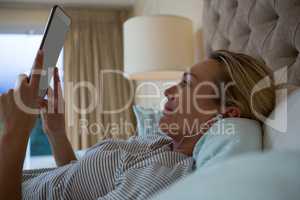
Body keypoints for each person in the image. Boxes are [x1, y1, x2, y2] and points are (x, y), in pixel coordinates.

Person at [0, 50, 275, 200]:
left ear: (223, 116)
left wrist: (17, 132)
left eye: (186, 84)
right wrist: (56, 134)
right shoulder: (157, 141)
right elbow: (73, 187)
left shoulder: (166, 175)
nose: (168, 92)